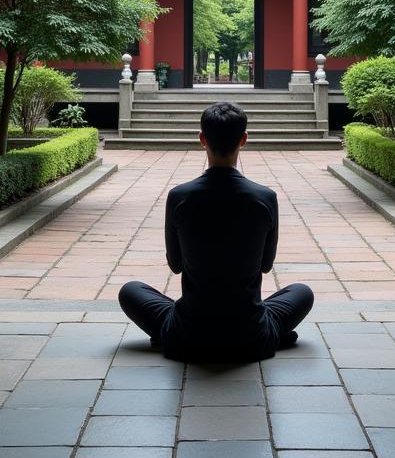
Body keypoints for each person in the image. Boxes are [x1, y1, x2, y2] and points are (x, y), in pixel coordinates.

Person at [118, 101, 314, 362]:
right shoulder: (266, 197)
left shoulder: (179, 196)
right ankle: (271, 332)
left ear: (202, 139)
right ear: (244, 140)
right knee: (302, 292)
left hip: (188, 333)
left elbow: (176, 265)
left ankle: (175, 334)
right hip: (250, 333)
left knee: (130, 290)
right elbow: (266, 265)